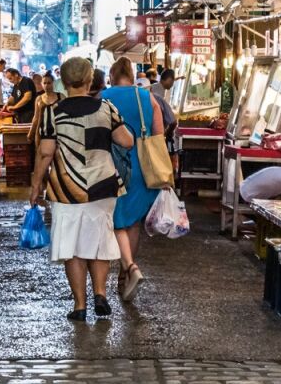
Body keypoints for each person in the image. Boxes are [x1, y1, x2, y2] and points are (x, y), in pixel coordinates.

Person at [28, 56, 135, 321]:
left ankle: (79, 305)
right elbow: (127, 141)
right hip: (102, 184)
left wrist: (35, 185)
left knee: (72, 247)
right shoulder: (106, 108)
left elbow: (46, 153)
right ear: (90, 81)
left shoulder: (53, 112)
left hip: (66, 188)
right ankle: (100, 293)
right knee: (98, 241)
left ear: (63, 82)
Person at [102, 57, 167, 302]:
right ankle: (123, 275)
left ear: (111, 75)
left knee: (117, 220)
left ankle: (129, 267)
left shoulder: (103, 98)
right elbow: (158, 135)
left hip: (113, 165)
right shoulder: (147, 97)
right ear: (131, 75)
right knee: (133, 223)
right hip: (143, 166)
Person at [156, 68, 181, 175]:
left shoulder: (155, 89)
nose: (172, 84)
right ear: (170, 79)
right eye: (173, 81)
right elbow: (173, 121)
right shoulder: (158, 94)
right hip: (158, 137)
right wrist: (168, 133)